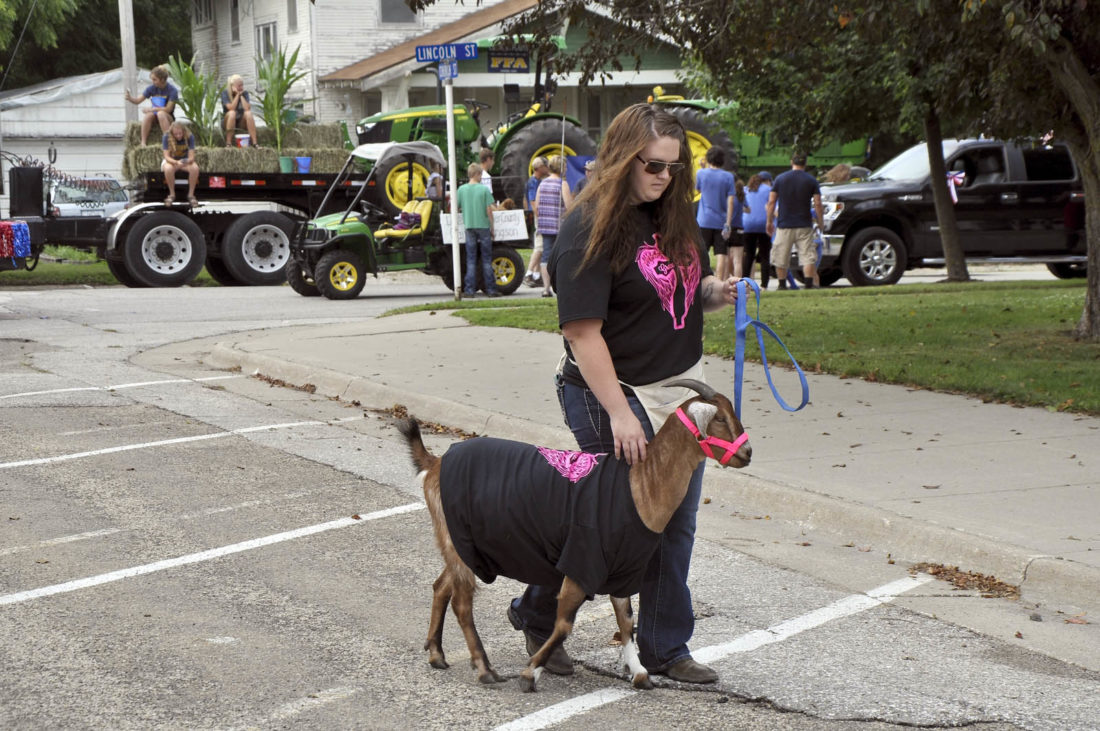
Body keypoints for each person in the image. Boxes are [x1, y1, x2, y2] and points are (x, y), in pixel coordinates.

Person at [508, 103, 740, 684]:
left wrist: (718, 291)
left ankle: (665, 646)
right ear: (620, 160)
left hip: (677, 396)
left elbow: (686, 294)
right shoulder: (589, 228)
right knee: (613, 520)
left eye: (676, 169)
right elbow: (582, 331)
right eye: (655, 167)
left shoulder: (674, 218)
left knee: (674, 518)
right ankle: (538, 613)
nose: (666, 178)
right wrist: (619, 412)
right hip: (607, 388)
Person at [767, 152, 824, 288]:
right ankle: (809, 284)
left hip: (784, 224)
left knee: (781, 255)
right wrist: (820, 222)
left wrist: (769, 221)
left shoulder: (780, 179)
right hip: (804, 224)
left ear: (791, 162)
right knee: (807, 255)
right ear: (805, 163)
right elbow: (817, 203)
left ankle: (782, 285)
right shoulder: (811, 180)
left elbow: (771, 201)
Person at [456, 162, 500, 297]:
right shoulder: (484, 190)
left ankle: (469, 289)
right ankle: (491, 289)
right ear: (477, 174)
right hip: (483, 226)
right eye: (480, 174)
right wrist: (492, 226)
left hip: (469, 226)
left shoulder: (461, 190)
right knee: (486, 259)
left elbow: (456, 207)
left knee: (471, 259)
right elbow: (489, 210)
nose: (481, 177)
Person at [695, 146, 735, 281]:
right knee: (721, 254)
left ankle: (700, 280)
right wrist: (728, 223)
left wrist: (702, 167)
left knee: (701, 252)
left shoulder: (701, 173)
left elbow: (699, 189)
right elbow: (730, 202)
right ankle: (718, 282)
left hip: (704, 220)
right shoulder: (728, 177)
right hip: (721, 221)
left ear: (708, 158)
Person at [532, 155, 569, 298]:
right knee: (561, 257)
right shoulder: (562, 184)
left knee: (546, 257)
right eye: (565, 166)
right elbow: (569, 205)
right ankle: (560, 287)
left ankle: (546, 288)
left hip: (545, 225)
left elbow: (538, 203)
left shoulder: (542, 183)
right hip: (559, 226)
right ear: (561, 168)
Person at [125, 65, 178, 146]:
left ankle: (168, 142)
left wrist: (153, 109)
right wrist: (130, 98)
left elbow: (168, 109)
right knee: (148, 115)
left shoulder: (172, 90)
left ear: (162, 80)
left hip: (168, 117)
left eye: (155, 79)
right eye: (152, 79)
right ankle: (143, 142)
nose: (152, 81)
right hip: (155, 116)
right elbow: (138, 101)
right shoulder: (151, 88)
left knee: (161, 114)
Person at [741, 171, 773, 289]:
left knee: (749, 255)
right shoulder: (769, 190)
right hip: (763, 225)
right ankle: (764, 285)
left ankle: (744, 283)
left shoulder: (746, 189)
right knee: (765, 256)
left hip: (747, 225)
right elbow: (772, 207)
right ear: (768, 181)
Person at [523, 157, 550, 288]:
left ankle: (536, 275)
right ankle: (529, 273)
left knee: (541, 246)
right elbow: (533, 202)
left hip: (539, 216)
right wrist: (540, 217)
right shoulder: (533, 182)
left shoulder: (536, 181)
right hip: (539, 217)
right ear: (539, 168)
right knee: (539, 246)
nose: (547, 168)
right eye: (545, 166)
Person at [161, 121, 199, 207]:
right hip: (172, 161)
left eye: (180, 133)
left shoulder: (190, 137)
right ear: (172, 133)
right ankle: (172, 194)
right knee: (168, 169)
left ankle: (191, 195)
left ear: (183, 131)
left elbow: (192, 157)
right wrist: (176, 162)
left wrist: (185, 162)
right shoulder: (166, 137)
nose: (178, 136)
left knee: (195, 168)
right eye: (176, 134)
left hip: (184, 161)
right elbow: (166, 157)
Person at [221, 74, 259, 147]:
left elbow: (247, 108)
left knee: (248, 113)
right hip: (227, 122)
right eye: (239, 86)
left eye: (242, 85)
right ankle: (228, 143)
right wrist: (237, 96)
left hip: (240, 123)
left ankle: (255, 143)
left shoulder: (245, 93)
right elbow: (231, 108)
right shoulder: (225, 93)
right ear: (233, 86)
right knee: (232, 113)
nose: (242, 87)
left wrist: (240, 95)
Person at [729, 176, 749, 280]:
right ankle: (739, 282)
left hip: (728, 227)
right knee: (738, 260)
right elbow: (748, 209)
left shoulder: (728, 195)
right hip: (739, 228)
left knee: (727, 258)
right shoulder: (741, 195)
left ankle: (728, 279)